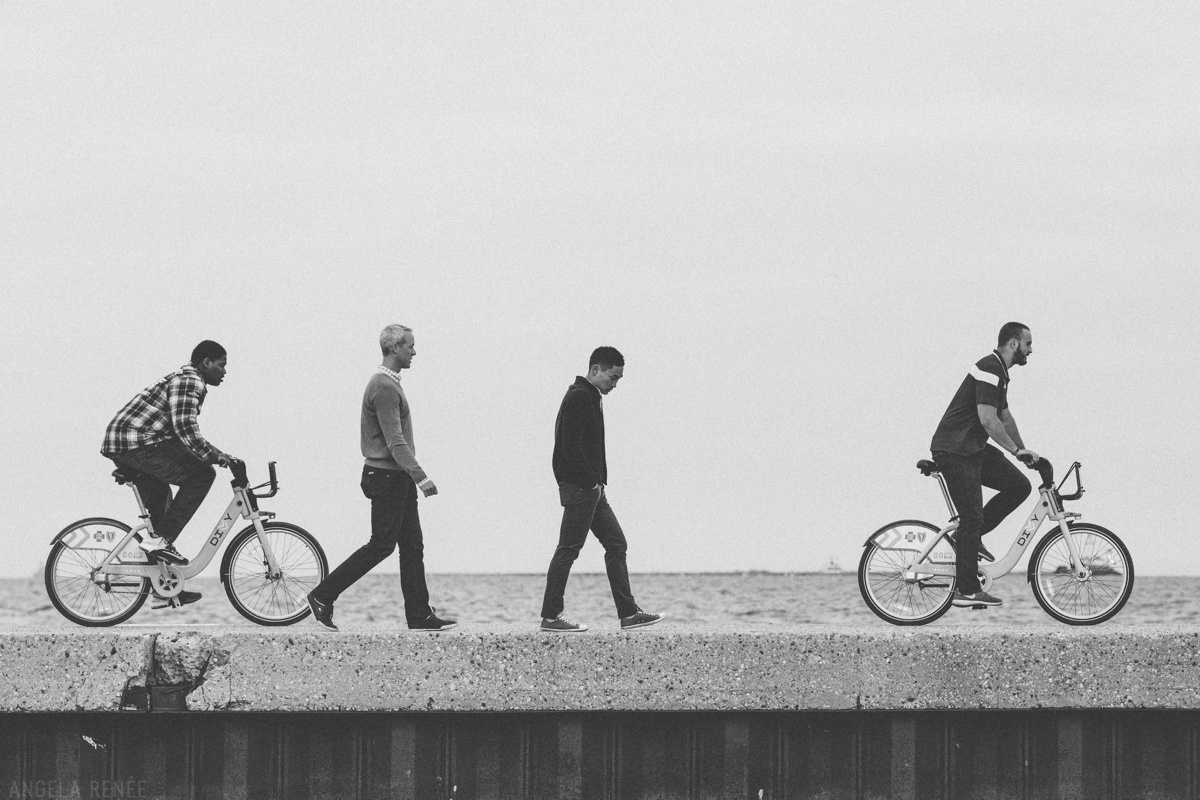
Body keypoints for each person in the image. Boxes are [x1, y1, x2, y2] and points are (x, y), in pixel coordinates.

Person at [307, 324, 456, 632]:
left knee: (412, 546)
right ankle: (322, 595)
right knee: (381, 545)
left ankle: (419, 615)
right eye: (410, 346)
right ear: (394, 349)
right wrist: (421, 477)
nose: (415, 351)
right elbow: (395, 441)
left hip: (395, 477)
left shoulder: (389, 384)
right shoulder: (385, 388)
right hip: (388, 476)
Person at [101, 340, 237, 609]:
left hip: (131, 442)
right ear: (206, 362)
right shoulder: (191, 381)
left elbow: (181, 435)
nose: (224, 372)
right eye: (221, 365)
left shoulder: (184, 378)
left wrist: (222, 454)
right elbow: (184, 427)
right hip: (136, 443)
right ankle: (159, 542)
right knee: (202, 475)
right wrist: (213, 458)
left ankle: (162, 584)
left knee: (162, 507)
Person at [539, 346, 664, 632]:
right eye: (613, 377)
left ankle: (629, 614)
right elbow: (568, 447)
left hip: (593, 489)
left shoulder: (590, 395)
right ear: (596, 370)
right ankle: (550, 617)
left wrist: (597, 483)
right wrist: (591, 480)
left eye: (618, 379)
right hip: (582, 487)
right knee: (568, 549)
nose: (615, 384)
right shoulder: (579, 396)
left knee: (616, 543)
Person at [930, 322, 1041, 608]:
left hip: (972, 449)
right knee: (972, 517)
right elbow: (988, 420)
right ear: (1014, 344)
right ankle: (966, 590)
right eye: (1028, 344)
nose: (1031, 350)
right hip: (954, 450)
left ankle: (971, 539)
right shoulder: (989, 368)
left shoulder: (1000, 374)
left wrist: (1023, 450)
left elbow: (1004, 416)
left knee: (1019, 486)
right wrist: (1014, 450)